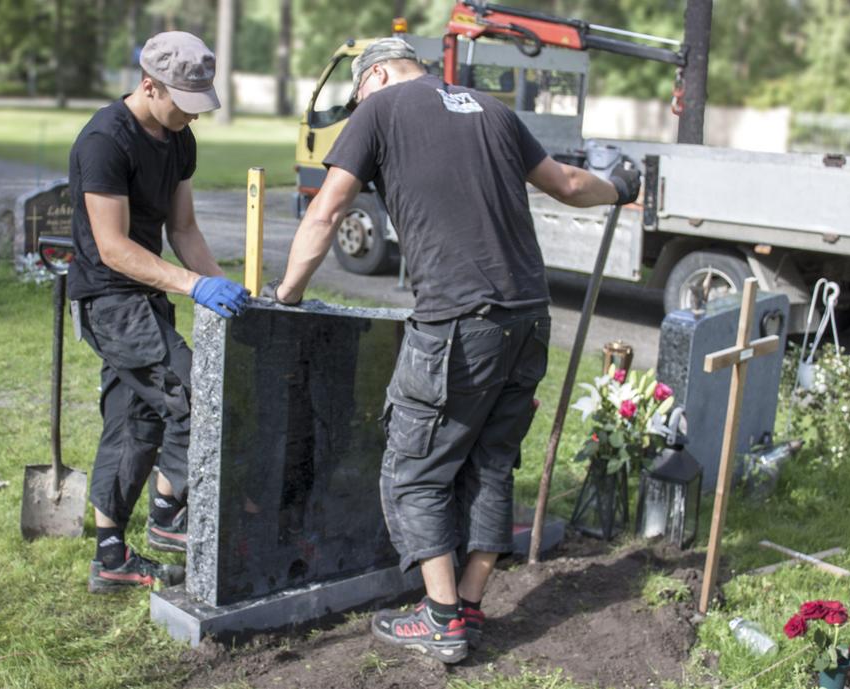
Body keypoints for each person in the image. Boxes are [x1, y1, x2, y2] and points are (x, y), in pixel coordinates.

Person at [263, 38, 640, 662]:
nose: (359, 101)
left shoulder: (377, 112)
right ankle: (466, 603)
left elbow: (327, 211)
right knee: (490, 463)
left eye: (358, 90)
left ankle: (440, 620)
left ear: (376, 74)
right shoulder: (492, 110)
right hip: (529, 320)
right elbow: (570, 185)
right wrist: (621, 190)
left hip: (460, 324)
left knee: (415, 469)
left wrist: (288, 295)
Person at [67, 31, 250, 593]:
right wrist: (194, 286)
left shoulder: (179, 138)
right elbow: (114, 247)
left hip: (146, 295)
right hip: (109, 299)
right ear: (149, 85)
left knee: (134, 423)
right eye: (183, 103)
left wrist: (225, 289)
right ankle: (170, 515)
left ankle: (111, 557)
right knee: (198, 396)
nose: (191, 116)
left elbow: (184, 228)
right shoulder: (104, 140)